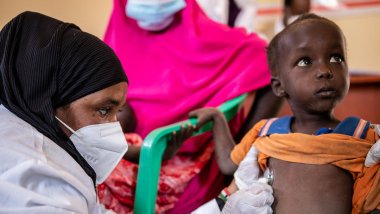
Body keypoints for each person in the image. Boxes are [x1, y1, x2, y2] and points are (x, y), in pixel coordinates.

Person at [98, 0, 282, 213]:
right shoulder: (118, 33)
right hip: (125, 150)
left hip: (188, 159)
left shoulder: (207, 37)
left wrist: (241, 146)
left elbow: (270, 59)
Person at [192, 13, 380, 213]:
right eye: (305, 62)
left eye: (336, 58)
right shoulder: (266, 131)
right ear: (279, 86)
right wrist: (217, 118)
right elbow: (229, 165)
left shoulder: (362, 136)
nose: (325, 70)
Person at [0, 11, 130, 213]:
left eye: (117, 111)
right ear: (47, 99)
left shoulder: (17, 127)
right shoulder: (36, 179)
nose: (115, 130)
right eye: (104, 110)